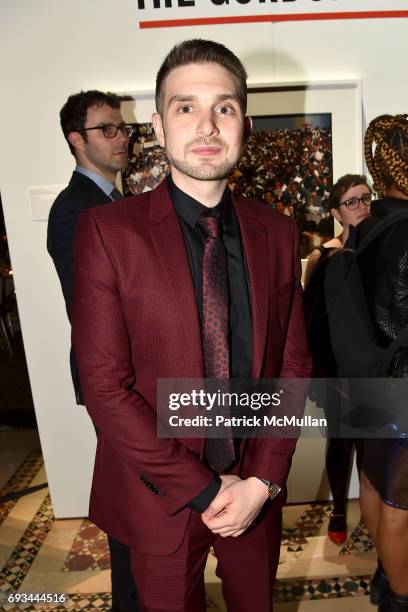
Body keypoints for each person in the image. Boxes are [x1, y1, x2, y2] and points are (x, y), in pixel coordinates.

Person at [72, 39, 311, 612]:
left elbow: (294, 365)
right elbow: (105, 387)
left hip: (256, 487)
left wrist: (263, 480)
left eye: (223, 107)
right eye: (186, 107)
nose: (206, 125)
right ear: (157, 125)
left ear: (244, 124)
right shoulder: (108, 233)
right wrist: (204, 488)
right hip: (159, 496)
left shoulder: (276, 231)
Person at [47, 90, 139, 612]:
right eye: (108, 129)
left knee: (140, 492)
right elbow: (97, 306)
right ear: (76, 140)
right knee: (129, 498)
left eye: (122, 127)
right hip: (113, 379)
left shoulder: (110, 201)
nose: (121, 136)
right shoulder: (75, 210)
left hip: (127, 375)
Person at [355, 114, 408, 611]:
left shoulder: (368, 225)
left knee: (374, 482)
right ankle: (400, 594)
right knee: (402, 506)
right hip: (402, 384)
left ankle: (383, 576)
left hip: (369, 379)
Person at [303, 175, 372, 544]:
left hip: (376, 371)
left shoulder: (383, 247)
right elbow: (312, 320)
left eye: (366, 198)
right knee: (342, 440)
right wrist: (328, 375)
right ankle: (340, 509)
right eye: (352, 202)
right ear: (335, 213)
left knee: (374, 445)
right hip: (336, 372)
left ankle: (373, 510)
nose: (362, 207)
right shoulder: (325, 256)